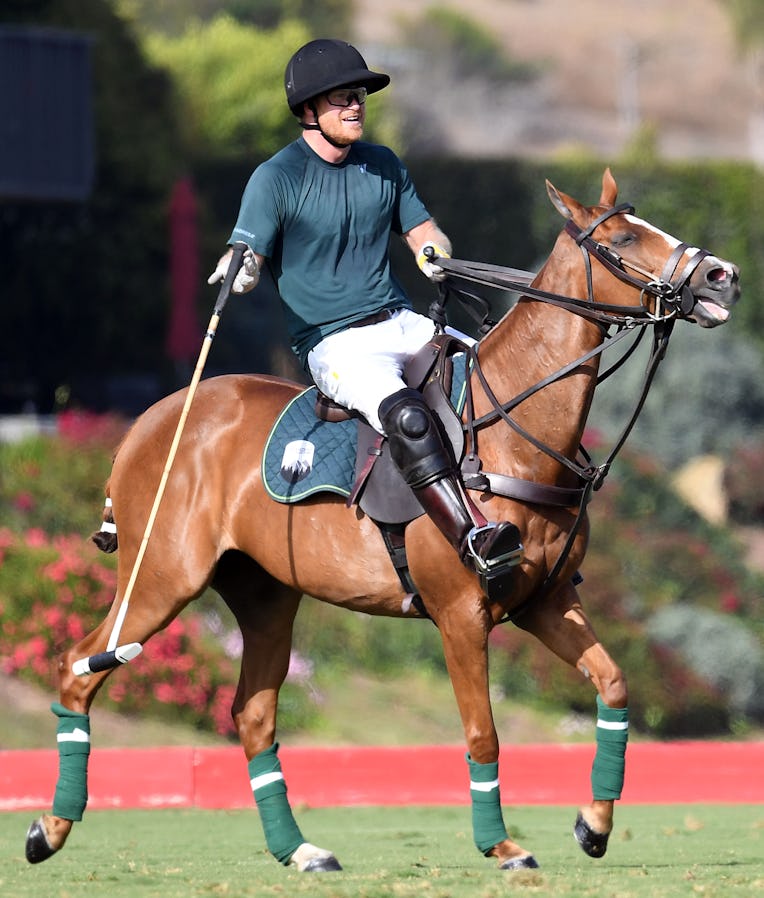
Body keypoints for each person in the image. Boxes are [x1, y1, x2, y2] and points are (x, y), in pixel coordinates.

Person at [208, 38, 522, 594]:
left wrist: (432, 251)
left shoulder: (383, 165)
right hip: (336, 345)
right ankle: (470, 536)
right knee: (408, 417)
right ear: (308, 110)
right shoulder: (275, 177)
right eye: (340, 98)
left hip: (401, 321)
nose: (355, 106)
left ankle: (533, 520)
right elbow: (245, 250)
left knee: (494, 375)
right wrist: (244, 267)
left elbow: (423, 230)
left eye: (359, 96)